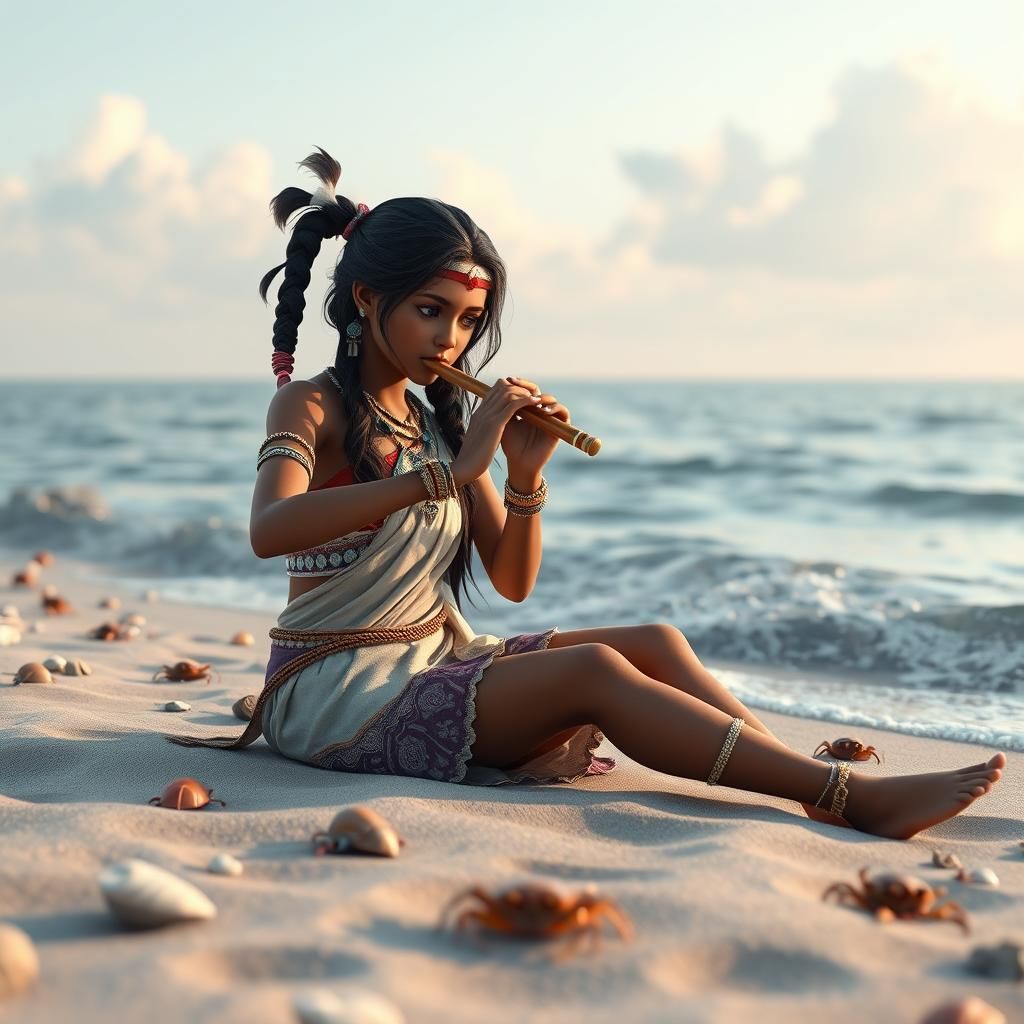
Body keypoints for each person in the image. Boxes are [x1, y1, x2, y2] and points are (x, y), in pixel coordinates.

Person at [169, 148, 1005, 839]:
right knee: (600, 670)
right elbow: (270, 527)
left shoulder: (437, 423)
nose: (450, 338)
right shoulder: (309, 404)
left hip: (431, 654)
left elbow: (512, 580)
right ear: (364, 299)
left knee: (654, 639)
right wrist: (448, 477)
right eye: (431, 311)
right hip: (337, 688)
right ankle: (845, 797)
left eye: (465, 321)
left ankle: (810, 782)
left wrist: (525, 476)